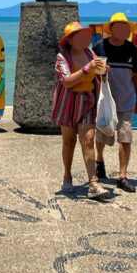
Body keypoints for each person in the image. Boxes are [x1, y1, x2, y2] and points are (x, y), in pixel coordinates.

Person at [51, 22, 111, 200]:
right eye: (79, 36)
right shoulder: (62, 57)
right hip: (68, 103)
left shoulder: (89, 53)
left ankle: (93, 184)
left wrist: (103, 71)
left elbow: (96, 75)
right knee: (68, 142)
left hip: (87, 101)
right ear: (70, 40)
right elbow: (67, 81)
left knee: (88, 140)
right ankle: (67, 177)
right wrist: (87, 68)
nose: (84, 38)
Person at [93, 13, 137, 193]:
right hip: (105, 101)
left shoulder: (131, 48)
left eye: (125, 26)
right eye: (118, 26)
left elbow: (136, 75)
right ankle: (99, 160)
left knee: (125, 136)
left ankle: (122, 175)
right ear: (111, 28)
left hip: (127, 100)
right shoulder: (100, 47)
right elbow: (94, 74)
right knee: (102, 134)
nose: (122, 30)